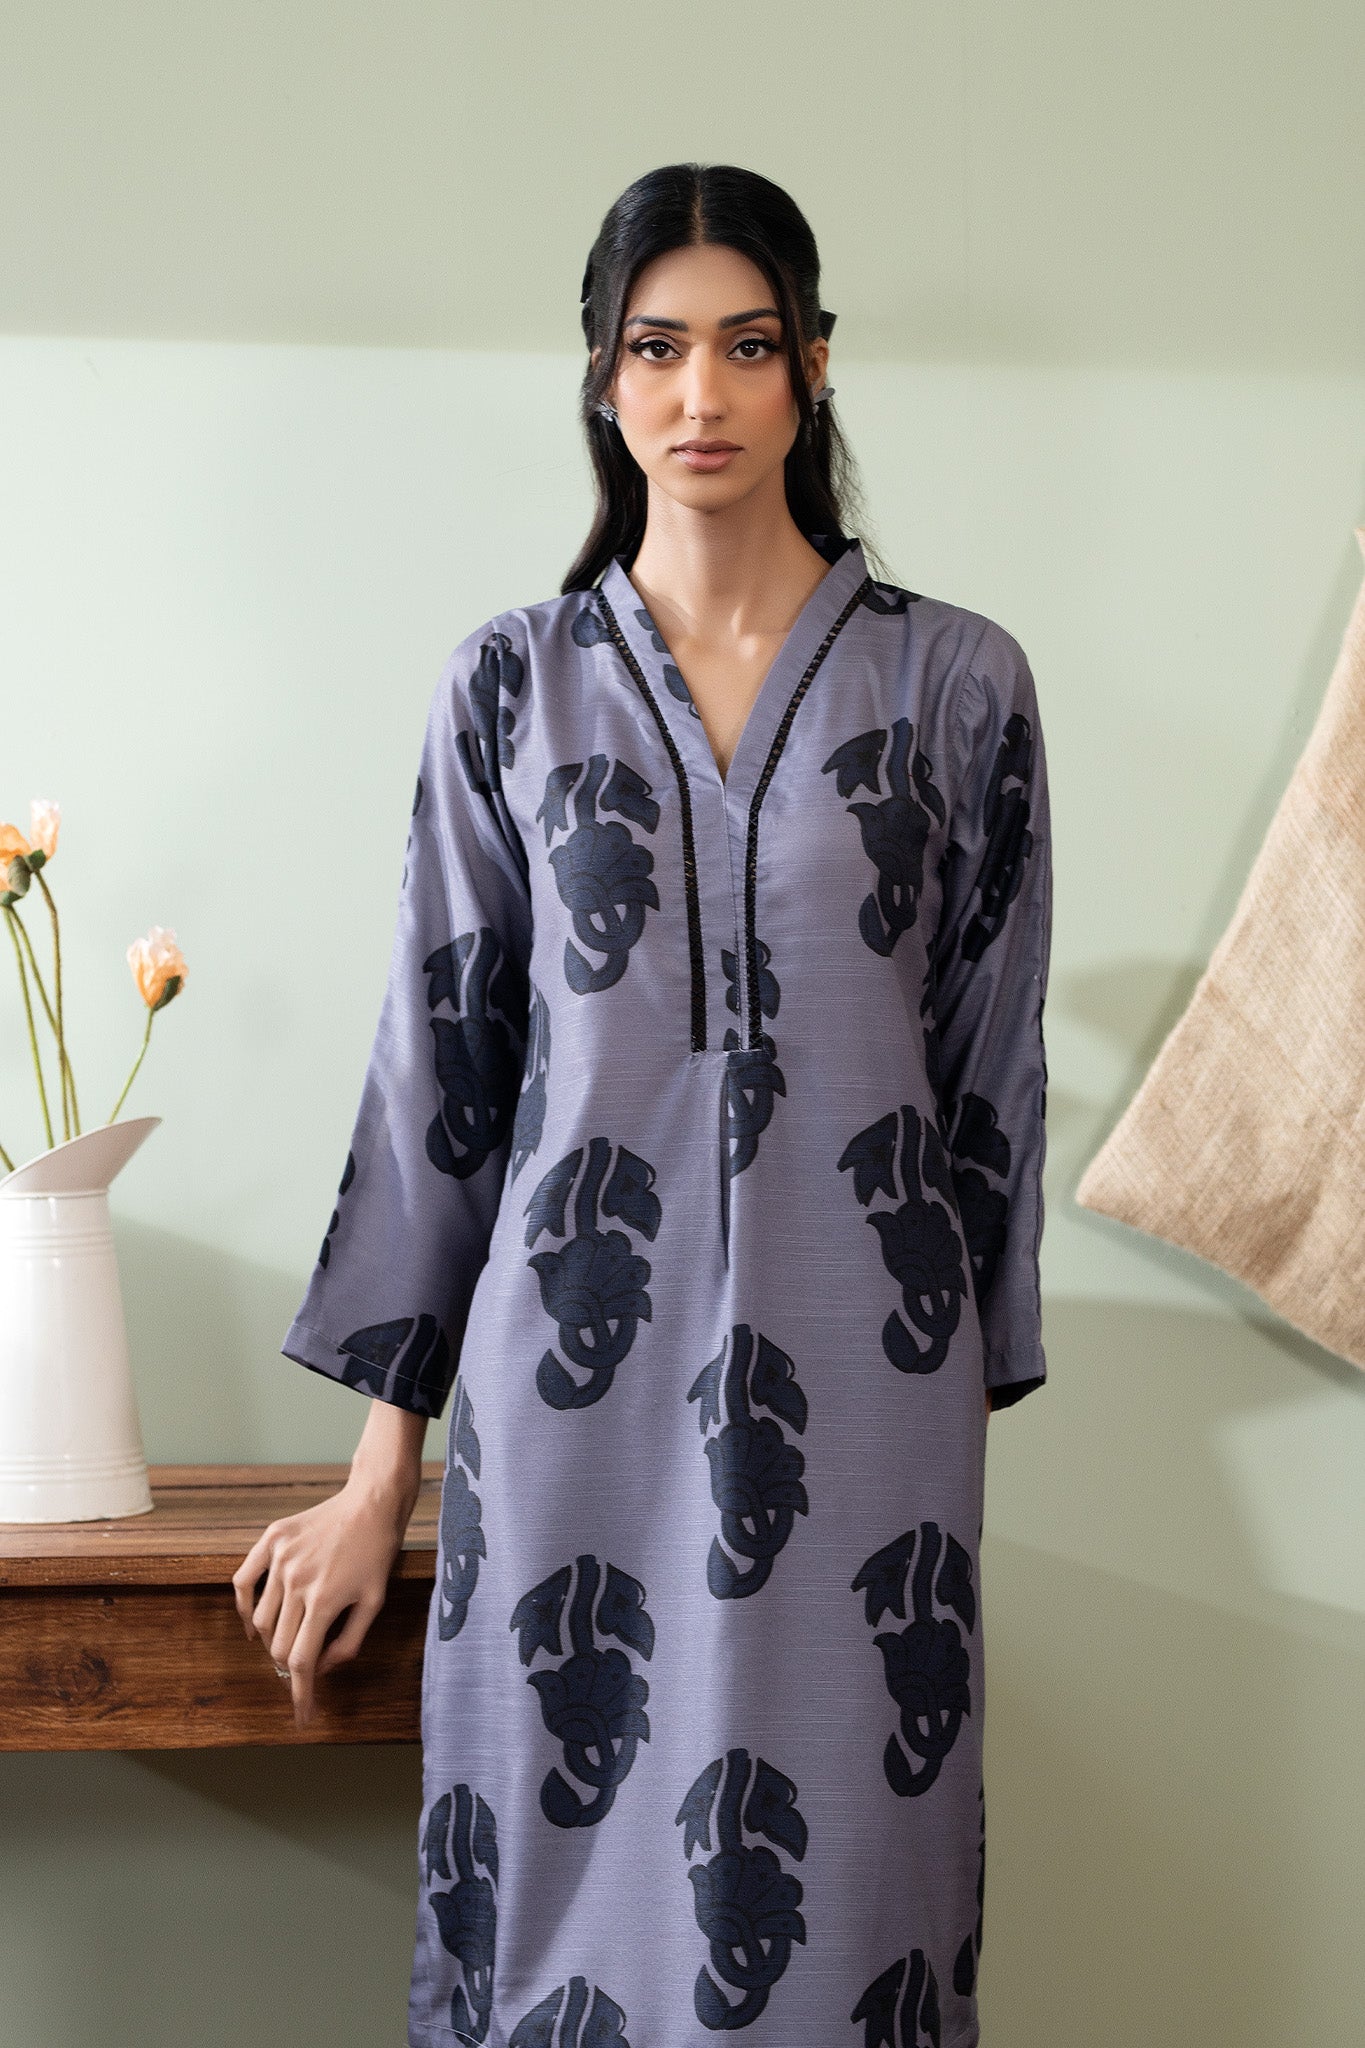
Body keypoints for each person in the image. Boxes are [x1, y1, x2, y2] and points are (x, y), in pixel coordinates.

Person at [233, 161, 1052, 2048]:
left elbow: (985, 1077)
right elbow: (446, 1074)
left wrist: (953, 1408)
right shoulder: (507, 692)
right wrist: (377, 1478)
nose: (701, 394)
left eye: (746, 348)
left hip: (866, 1402)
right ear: (602, 379)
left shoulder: (958, 686)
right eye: (657, 348)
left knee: (849, 1896)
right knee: (554, 1893)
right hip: (567, 1402)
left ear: (814, 369)